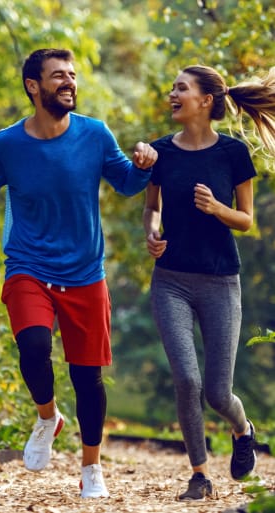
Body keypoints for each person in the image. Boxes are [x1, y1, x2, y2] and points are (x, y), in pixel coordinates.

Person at [0, 48, 158, 499]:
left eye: (72, 75)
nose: (69, 82)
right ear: (33, 86)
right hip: (29, 265)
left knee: (87, 378)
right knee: (33, 345)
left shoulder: (95, 134)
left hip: (85, 272)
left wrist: (145, 166)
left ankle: (91, 468)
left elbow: (126, 182)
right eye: (58, 76)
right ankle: (48, 416)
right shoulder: (6, 144)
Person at [143, 65, 275, 501]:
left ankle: (243, 429)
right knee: (187, 380)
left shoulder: (234, 153)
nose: (172, 93)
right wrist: (152, 232)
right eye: (172, 86)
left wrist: (218, 208)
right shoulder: (162, 152)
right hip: (171, 281)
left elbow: (247, 220)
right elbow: (152, 208)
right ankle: (199, 473)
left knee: (218, 392)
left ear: (205, 100)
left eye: (181, 87)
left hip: (220, 280)